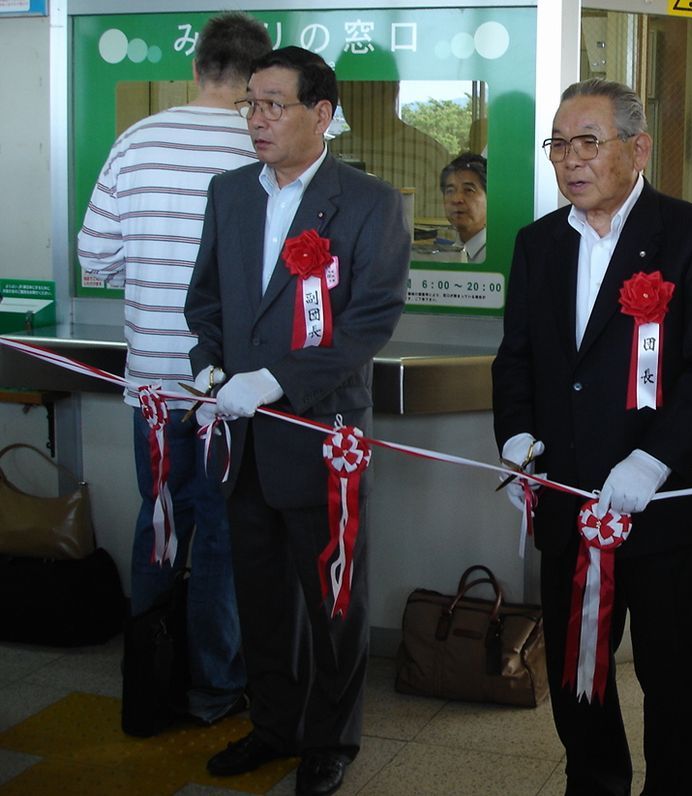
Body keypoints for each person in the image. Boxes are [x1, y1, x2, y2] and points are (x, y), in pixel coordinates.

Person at [491, 78, 692, 794]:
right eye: (559, 144)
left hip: (672, 510)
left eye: (588, 143)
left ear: (638, 148)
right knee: (579, 676)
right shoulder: (538, 244)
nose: (570, 160)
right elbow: (518, 360)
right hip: (570, 502)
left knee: (675, 682)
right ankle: (594, 782)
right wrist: (515, 442)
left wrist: (652, 461)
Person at [184, 46, 410, 796]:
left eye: (274, 104)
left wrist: (274, 378)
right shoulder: (230, 194)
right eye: (251, 102)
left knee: (333, 602)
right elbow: (208, 299)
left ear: (321, 113)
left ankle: (331, 740)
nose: (257, 118)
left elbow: (368, 323)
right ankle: (274, 725)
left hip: (320, 441)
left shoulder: (370, 203)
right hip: (241, 440)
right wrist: (210, 363)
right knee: (261, 597)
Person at [76, 11, 272, 726]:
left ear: (196, 67)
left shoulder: (136, 141)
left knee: (157, 522)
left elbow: (94, 256)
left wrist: (150, 273)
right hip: (229, 389)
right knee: (221, 529)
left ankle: (148, 678)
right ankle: (216, 686)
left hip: (153, 387)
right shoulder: (264, 147)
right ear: (259, 83)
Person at [439, 152, 487, 262]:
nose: (456, 199)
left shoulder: (500, 255)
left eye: (468, 190)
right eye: (450, 191)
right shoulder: (444, 256)